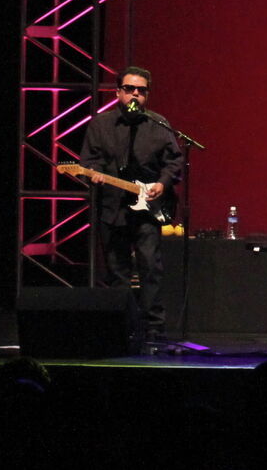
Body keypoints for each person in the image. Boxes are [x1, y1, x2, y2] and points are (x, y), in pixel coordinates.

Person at [77, 66, 182, 343]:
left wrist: (163, 183)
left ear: (148, 94)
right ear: (118, 92)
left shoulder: (159, 124)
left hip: (148, 211)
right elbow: (88, 162)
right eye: (129, 89)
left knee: (151, 267)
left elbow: (174, 161)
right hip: (112, 209)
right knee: (117, 270)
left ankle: (154, 327)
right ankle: (122, 325)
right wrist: (96, 174)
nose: (135, 94)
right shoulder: (100, 125)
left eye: (141, 90)